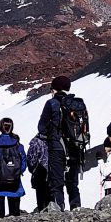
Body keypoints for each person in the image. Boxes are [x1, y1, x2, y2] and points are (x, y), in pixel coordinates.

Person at [36, 76, 82, 210]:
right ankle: (76, 207)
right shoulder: (77, 103)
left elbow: (41, 127)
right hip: (75, 147)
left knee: (57, 181)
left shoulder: (51, 103)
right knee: (72, 182)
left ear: (54, 89)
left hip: (57, 146)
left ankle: (59, 208)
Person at [0, 118, 27, 217]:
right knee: (15, 214)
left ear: (0, 128)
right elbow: (23, 163)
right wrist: (16, 172)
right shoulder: (18, 144)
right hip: (14, 182)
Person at [26, 133, 51, 212]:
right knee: (50, 192)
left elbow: (30, 158)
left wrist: (32, 169)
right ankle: (50, 209)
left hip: (39, 170)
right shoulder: (54, 139)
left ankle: (41, 209)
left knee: (40, 192)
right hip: (52, 171)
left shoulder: (36, 141)